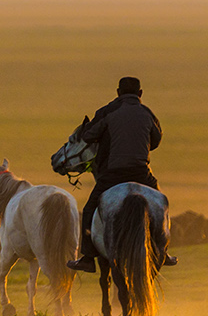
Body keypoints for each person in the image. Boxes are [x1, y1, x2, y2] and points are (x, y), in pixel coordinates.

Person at [66, 76, 176, 272]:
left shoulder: (109, 111)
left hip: (114, 173)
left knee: (90, 208)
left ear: (118, 92)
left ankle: (88, 257)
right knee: (162, 204)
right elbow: (156, 140)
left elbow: (88, 135)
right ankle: (163, 250)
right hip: (142, 172)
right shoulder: (147, 113)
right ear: (140, 94)